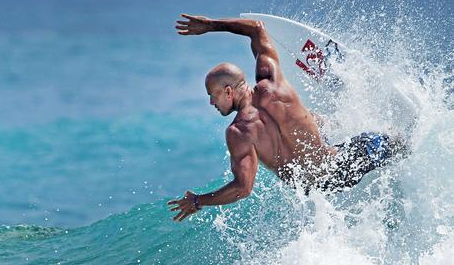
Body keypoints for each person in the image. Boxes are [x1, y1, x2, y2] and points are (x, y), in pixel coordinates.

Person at [167, 14, 409, 222]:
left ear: (229, 91)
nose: (211, 102)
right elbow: (256, 28)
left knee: (311, 125)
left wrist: (198, 201)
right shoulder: (272, 84)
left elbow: (243, 188)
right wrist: (210, 25)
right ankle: (401, 138)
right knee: (400, 144)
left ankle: (328, 124)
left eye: (213, 95)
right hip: (341, 164)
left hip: (318, 187)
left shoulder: (239, 132)